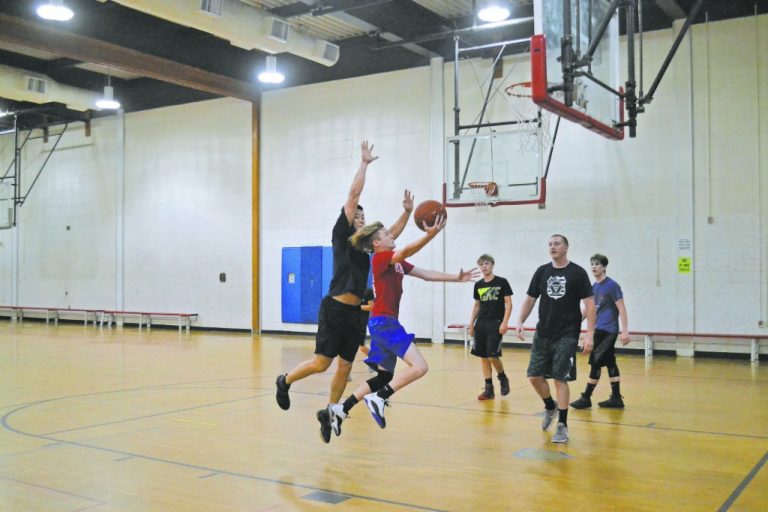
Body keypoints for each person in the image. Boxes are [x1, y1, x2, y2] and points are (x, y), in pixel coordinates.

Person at [275, 141, 414, 445]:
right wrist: (364, 164)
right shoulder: (341, 235)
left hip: (355, 315)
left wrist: (407, 213)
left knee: (346, 366)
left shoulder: (368, 250)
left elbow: (392, 236)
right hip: (335, 309)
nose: (361, 220)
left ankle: (330, 411)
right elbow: (354, 195)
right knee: (321, 364)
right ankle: (284, 381)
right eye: (358, 217)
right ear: (350, 219)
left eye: (365, 219)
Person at [326, 216, 478, 435]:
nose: (391, 235)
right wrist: (429, 235)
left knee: (383, 377)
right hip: (384, 323)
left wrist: (457, 277)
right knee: (420, 367)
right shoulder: (380, 259)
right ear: (377, 243)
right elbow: (405, 251)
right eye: (386, 234)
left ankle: (342, 408)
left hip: (383, 323)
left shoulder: (396, 263)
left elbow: (426, 275)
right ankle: (380, 397)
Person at [515, 234, 595, 444]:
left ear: (566, 248)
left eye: (557, 243)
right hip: (543, 333)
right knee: (533, 376)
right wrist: (521, 320)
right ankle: (550, 406)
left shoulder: (577, 273)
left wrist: (589, 333)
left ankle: (563, 424)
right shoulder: (542, 272)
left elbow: (590, 305)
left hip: (567, 334)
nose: (552, 247)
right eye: (550, 244)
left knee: (560, 378)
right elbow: (530, 299)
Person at [570, 254, 630, 409]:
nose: (593, 267)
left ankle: (586, 397)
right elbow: (588, 309)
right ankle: (616, 398)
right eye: (592, 264)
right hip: (598, 330)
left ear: (604, 266)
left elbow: (621, 308)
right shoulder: (593, 287)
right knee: (610, 362)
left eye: (597, 264)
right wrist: (575, 323)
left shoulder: (612, 285)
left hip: (608, 331)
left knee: (596, 362)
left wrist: (625, 331)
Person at [468, 254, 513, 400]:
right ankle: (489, 389)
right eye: (481, 264)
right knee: (483, 357)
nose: (484, 266)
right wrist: (471, 324)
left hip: (495, 323)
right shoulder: (479, 284)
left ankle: (503, 377)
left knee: (492, 355)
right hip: (481, 324)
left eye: (486, 263)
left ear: (492, 265)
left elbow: (508, 303)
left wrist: (505, 322)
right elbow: (477, 305)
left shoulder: (501, 282)